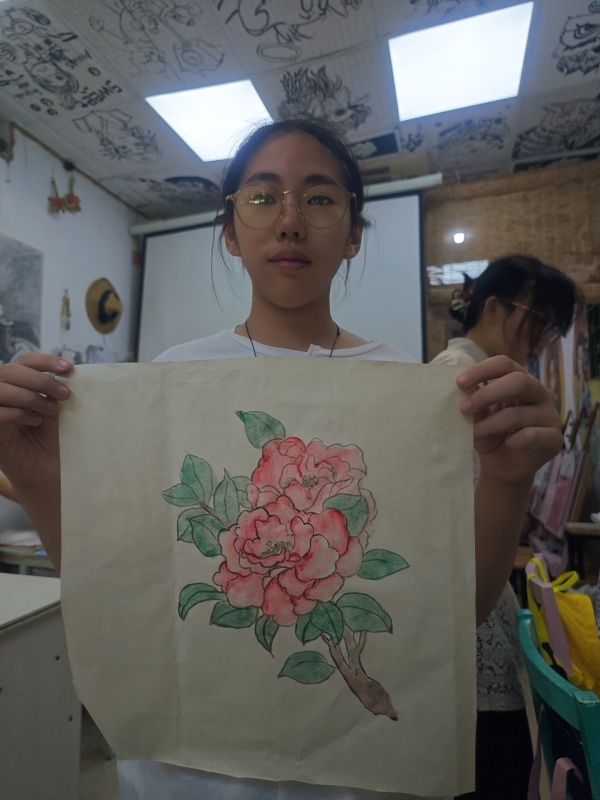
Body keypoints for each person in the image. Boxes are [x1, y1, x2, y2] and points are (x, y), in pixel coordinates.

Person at [0, 120, 563, 800]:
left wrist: (508, 480)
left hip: (355, 773)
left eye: (320, 198)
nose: (290, 221)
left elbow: (451, 610)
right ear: (231, 232)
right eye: (262, 198)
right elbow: (118, 583)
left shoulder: (410, 395)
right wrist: (35, 477)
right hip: (191, 773)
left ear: (354, 233)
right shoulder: (170, 382)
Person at [432, 256, 577, 800]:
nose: (542, 337)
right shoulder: (459, 378)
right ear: (492, 307)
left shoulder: (494, 380)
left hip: (481, 616)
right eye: (537, 319)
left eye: (552, 327)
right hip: (467, 635)